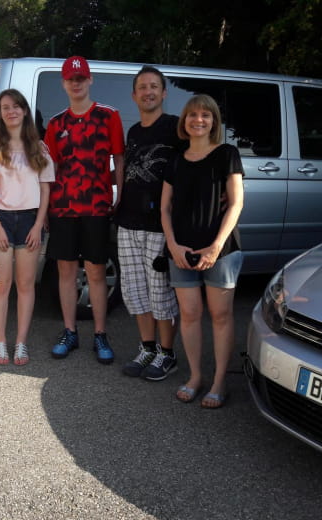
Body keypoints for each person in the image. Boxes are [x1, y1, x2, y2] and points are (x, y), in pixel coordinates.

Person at [160, 94, 244, 408]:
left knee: (221, 316)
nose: (198, 120)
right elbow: (165, 209)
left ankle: (220, 380)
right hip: (181, 250)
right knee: (190, 315)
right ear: (185, 121)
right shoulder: (176, 158)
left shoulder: (227, 154)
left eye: (205, 115)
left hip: (221, 250)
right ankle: (196, 376)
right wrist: (172, 245)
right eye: (193, 114)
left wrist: (216, 246)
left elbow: (236, 203)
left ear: (213, 122)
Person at [44, 56, 125, 364]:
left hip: (96, 206)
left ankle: (100, 334)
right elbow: (48, 169)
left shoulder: (109, 116)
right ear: (64, 83)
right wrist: (46, 208)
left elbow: (118, 159)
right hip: (63, 207)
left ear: (89, 80)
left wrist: (121, 196)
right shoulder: (56, 124)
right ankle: (69, 331)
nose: (75, 83)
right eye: (70, 79)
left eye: (81, 78)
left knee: (95, 271)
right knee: (65, 272)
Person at [0, 89, 55, 365]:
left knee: (25, 285)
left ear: (24, 111)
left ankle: (21, 342)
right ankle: (1, 342)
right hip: (0, 220)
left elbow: (45, 190)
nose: (11, 111)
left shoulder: (39, 148)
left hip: (30, 220)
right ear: (0, 113)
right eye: (5, 107)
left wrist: (38, 224)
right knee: (2, 284)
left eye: (16, 106)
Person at [116, 66, 181, 380]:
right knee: (134, 290)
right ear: (134, 95)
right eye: (142, 87)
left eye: (154, 86)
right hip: (128, 223)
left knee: (161, 292)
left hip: (160, 225)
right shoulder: (133, 132)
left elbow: (196, 163)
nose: (148, 92)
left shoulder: (176, 128)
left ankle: (168, 355)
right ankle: (147, 348)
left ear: (164, 92)